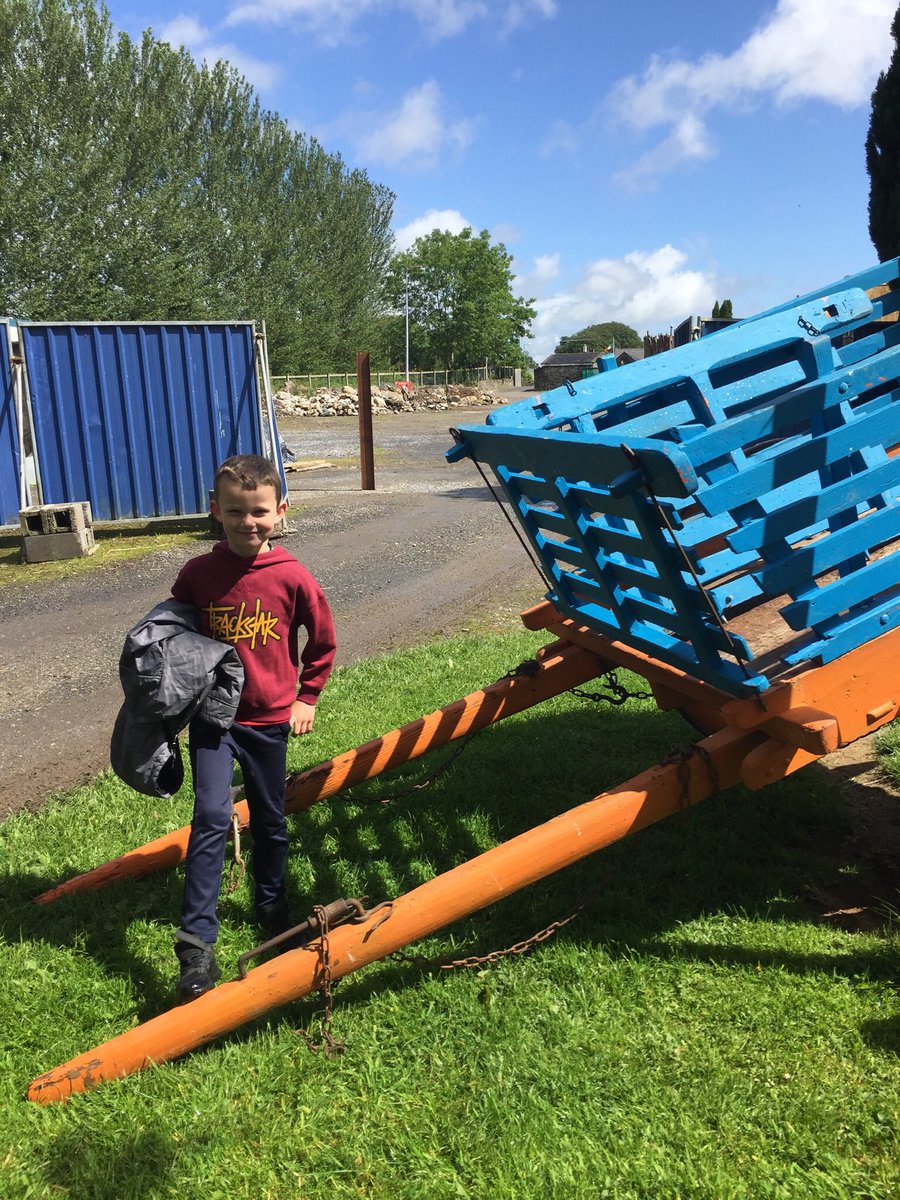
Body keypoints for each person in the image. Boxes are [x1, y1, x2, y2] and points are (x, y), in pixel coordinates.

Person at [168, 453, 336, 1003]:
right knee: (212, 815)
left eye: (259, 511)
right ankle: (196, 947)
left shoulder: (291, 575)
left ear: (280, 511)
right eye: (235, 511)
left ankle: (273, 914)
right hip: (214, 720)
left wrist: (306, 696)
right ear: (215, 510)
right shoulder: (198, 575)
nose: (248, 522)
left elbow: (323, 639)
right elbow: (172, 637)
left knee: (270, 821)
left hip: (268, 721)